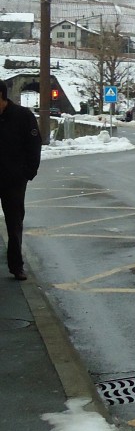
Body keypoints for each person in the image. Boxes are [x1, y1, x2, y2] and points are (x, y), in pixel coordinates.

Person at [0, 79, 43, 281]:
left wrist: (28, 172)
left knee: (14, 224)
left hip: (14, 180)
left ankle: (16, 266)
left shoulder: (22, 116)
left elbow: (34, 144)